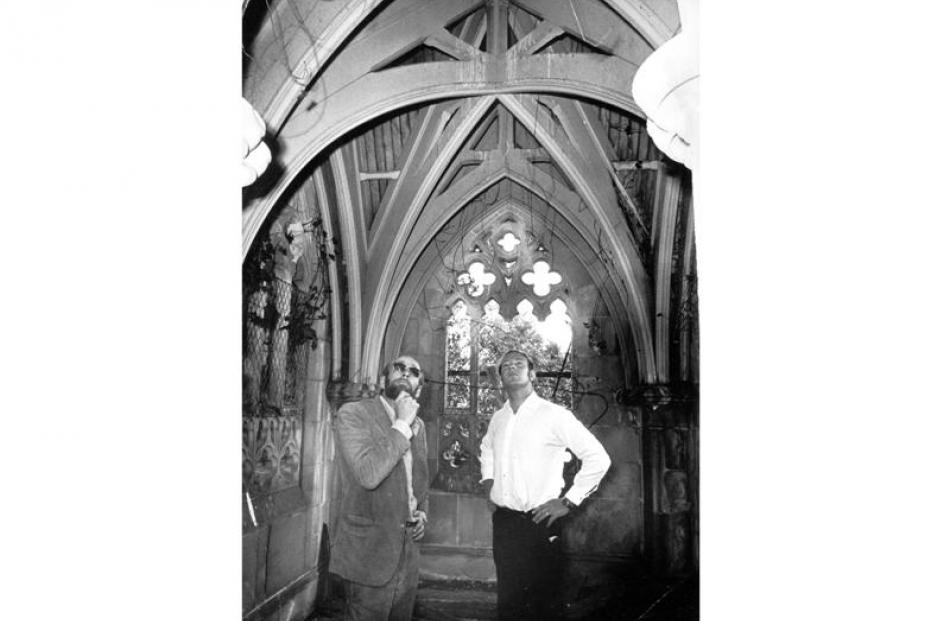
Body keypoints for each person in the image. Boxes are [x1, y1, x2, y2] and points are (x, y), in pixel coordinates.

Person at [480, 350, 611, 620]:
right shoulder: (498, 418)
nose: (512, 368)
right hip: (505, 523)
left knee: (544, 604)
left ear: (532, 374)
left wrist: (568, 501)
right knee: (509, 601)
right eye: (506, 366)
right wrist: (489, 484)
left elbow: (598, 458)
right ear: (500, 377)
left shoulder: (554, 415)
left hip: (541, 522)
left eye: (519, 364)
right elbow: (487, 449)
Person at [330, 355, 429, 621]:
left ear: (419, 386)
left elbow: (419, 481)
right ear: (384, 380)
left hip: (407, 553)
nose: (405, 373)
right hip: (368, 553)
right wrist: (401, 424)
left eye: (413, 371)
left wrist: (421, 512)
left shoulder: (419, 426)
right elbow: (369, 474)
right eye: (399, 368)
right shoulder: (353, 414)